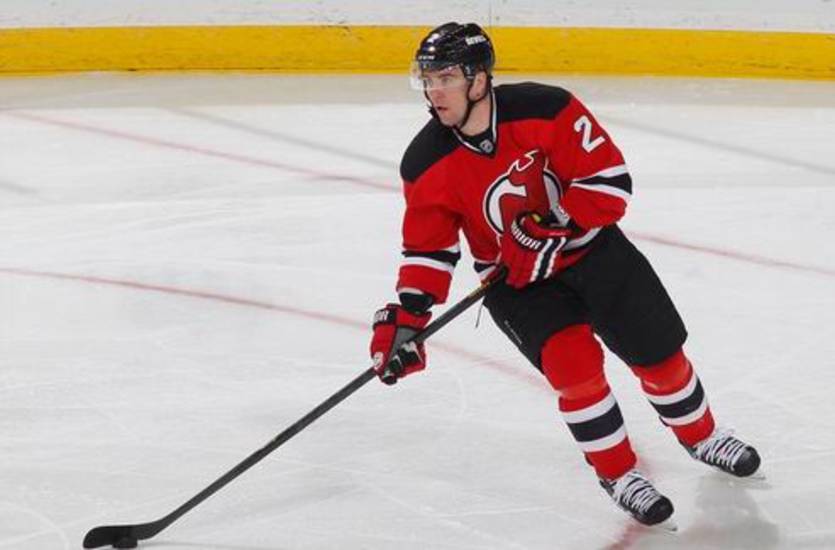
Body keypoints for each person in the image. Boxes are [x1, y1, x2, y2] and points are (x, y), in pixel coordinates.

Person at [368, 21, 761, 527]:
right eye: (427, 79)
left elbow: (611, 181)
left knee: (660, 358)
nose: (434, 91)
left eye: (445, 78)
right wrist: (409, 313)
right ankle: (619, 475)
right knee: (576, 373)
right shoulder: (425, 162)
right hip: (517, 282)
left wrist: (555, 223)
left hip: (595, 253)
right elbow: (430, 248)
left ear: (479, 79)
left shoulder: (547, 108)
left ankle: (702, 436)